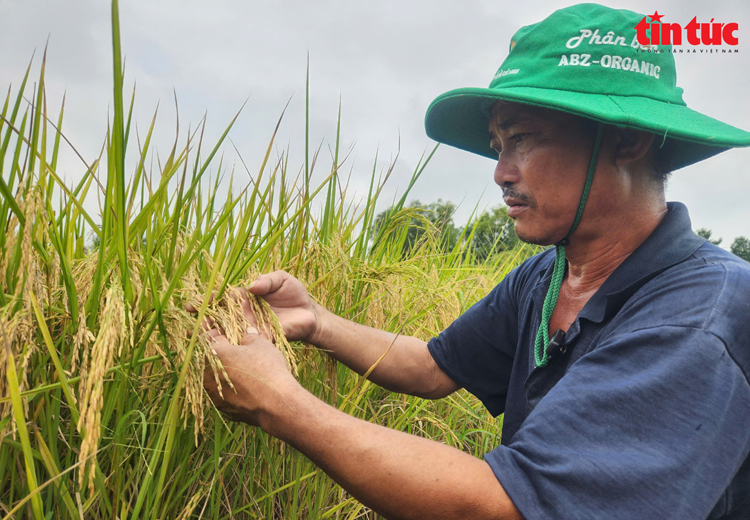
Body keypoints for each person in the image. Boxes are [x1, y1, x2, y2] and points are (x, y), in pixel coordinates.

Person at [201, 4, 750, 519]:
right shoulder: (550, 273)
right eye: (497, 146)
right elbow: (435, 367)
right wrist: (317, 321)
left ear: (627, 140)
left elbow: (505, 506)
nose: (501, 172)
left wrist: (278, 401)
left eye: (523, 139)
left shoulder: (698, 317)